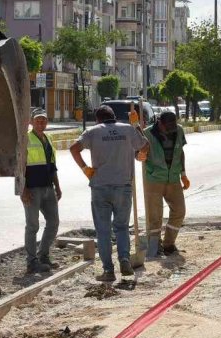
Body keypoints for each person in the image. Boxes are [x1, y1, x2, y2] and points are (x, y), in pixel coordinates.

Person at [70, 105, 149, 282]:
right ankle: (125, 260)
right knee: (121, 227)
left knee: (103, 231)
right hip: (123, 186)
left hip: (100, 187)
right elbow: (145, 145)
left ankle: (108, 270)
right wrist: (136, 126)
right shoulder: (128, 129)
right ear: (114, 116)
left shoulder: (93, 131)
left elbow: (73, 148)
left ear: (98, 119)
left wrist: (85, 169)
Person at [142, 110, 189, 258]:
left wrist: (183, 174)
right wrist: (140, 154)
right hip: (154, 179)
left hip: (173, 178)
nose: (170, 130)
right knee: (155, 216)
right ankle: (154, 246)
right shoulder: (147, 134)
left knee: (179, 211)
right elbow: (138, 154)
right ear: (160, 123)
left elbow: (180, 152)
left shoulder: (179, 130)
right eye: (167, 127)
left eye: (172, 127)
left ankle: (168, 244)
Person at [22, 110, 62, 274]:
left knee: (53, 223)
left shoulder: (48, 139)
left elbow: (52, 167)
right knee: (32, 226)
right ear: (31, 122)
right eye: (38, 120)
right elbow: (19, 167)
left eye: (44, 120)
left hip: (48, 188)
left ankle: (43, 255)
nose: (41, 123)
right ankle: (32, 262)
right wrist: (22, 189)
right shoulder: (25, 139)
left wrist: (57, 186)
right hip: (31, 189)